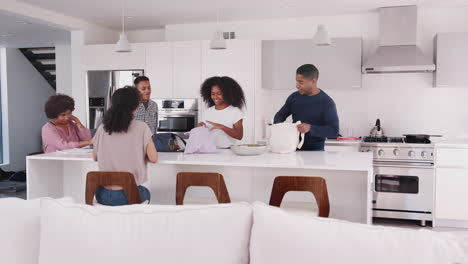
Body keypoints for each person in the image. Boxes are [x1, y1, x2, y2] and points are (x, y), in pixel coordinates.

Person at [93, 86, 158, 206]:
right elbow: (153, 158)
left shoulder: (102, 128)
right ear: (134, 107)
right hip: (129, 194)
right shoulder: (142, 127)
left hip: (102, 194)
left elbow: (95, 156)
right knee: (146, 192)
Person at [274, 64, 339, 151]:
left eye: (301, 82)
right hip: (293, 150)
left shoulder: (326, 102)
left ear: (313, 81)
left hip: (316, 153)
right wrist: (280, 128)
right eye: (296, 81)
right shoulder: (294, 97)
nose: (297, 85)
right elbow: (280, 115)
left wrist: (310, 128)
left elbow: (334, 131)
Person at [198, 76, 246, 149]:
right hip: (208, 151)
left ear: (227, 94)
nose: (215, 97)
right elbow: (203, 135)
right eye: (213, 94)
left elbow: (239, 136)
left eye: (219, 93)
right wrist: (200, 128)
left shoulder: (235, 112)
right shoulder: (208, 111)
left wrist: (222, 127)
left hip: (227, 152)